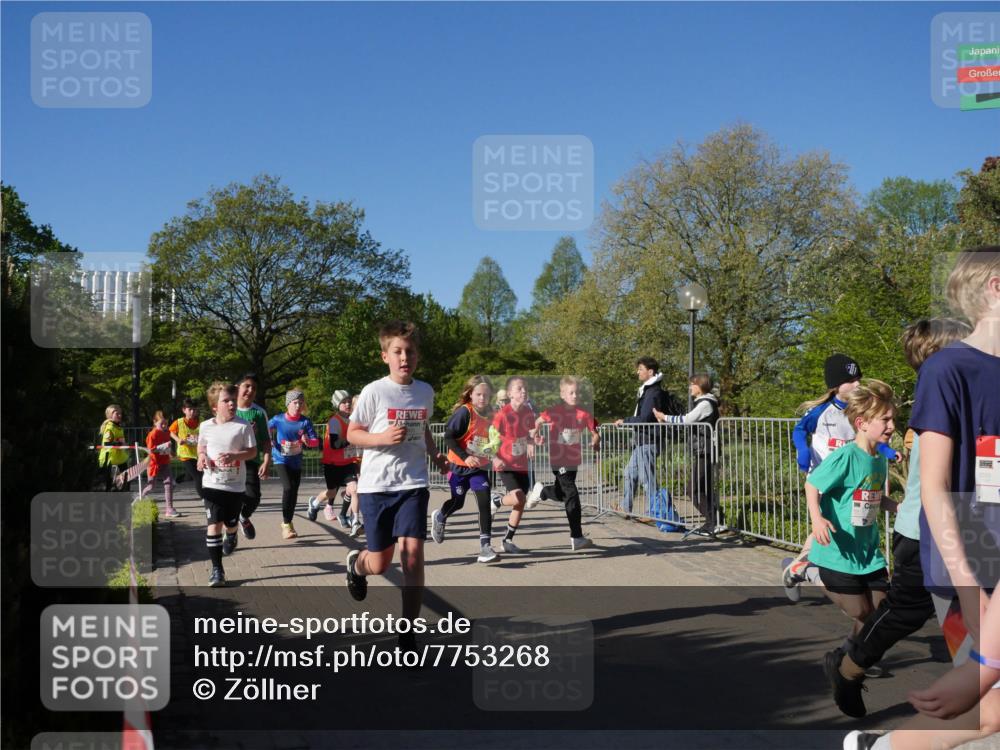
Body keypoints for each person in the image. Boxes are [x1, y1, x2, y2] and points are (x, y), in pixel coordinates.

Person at [844, 246, 1000, 750]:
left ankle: (880, 747)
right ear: (996, 288)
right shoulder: (948, 370)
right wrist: (970, 587)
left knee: (991, 707)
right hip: (970, 570)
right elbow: (932, 487)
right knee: (986, 701)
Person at [825, 319, 970, 718]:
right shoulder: (939, 403)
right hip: (923, 533)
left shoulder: (965, 395)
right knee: (905, 612)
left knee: (966, 608)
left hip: (964, 530)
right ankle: (847, 668)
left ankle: (978, 688)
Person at [344, 321, 449, 656]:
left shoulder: (425, 391)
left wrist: (436, 455)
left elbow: (423, 429)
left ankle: (407, 637)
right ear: (385, 356)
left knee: (413, 557)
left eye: (411, 352)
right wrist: (380, 439)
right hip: (377, 487)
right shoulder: (375, 391)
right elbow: (352, 433)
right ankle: (356, 564)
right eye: (398, 352)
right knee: (380, 564)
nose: (405, 357)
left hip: (413, 484)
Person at [805, 379, 899, 709]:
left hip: (867, 553)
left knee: (880, 615)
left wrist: (895, 507)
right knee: (863, 611)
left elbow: (871, 495)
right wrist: (817, 520)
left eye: (892, 419)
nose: (891, 426)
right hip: (836, 553)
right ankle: (808, 570)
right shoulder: (846, 457)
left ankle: (844, 657)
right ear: (862, 423)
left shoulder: (878, 458)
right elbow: (812, 485)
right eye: (885, 420)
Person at [783, 354, 898, 601]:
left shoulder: (866, 410)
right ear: (835, 385)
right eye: (850, 380)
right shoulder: (821, 411)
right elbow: (799, 430)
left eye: (858, 378)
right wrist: (803, 451)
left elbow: (869, 438)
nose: (857, 384)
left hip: (854, 473)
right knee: (828, 523)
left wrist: (888, 451)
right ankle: (810, 567)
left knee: (835, 525)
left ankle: (803, 564)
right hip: (827, 473)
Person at [431, 375, 502, 562]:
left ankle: (485, 547)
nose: (482, 399)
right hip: (458, 467)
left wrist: (496, 456)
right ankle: (440, 516)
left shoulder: (492, 414)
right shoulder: (464, 413)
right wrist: (466, 456)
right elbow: (448, 437)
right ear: (470, 394)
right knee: (458, 502)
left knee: (484, 501)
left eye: (486, 395)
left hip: (479, 468)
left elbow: (495, 440)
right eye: (478, 394)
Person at [526, 375, 600, 551]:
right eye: (571, 392)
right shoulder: (554, 411)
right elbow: (538, 421)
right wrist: (535, 434)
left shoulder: (584, 414)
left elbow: (594, 431)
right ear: (563, 394)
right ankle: (577, 536)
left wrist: (595, 439)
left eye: (577, 392)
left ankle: (542, 491)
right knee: (572, 493)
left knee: (562, 493)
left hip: (573, 460)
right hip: (558, 459)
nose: (575, 396)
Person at [197, 382, 257, 586]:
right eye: (226, 401)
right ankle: (217, 570)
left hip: (235, 486)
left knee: (230, 523)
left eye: (233, 400)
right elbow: (201, 448)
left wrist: (235, 455)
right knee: (214, 525)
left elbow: (252, 451)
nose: (232, 404)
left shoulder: (243, 425)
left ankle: (232, 535)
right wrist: (202, 457)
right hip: (212, 483)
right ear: (215, 406)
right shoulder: (205, 426)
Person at [653, 373, 720, 536]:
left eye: (692, 384)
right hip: (704, 450)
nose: (690, 387)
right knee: (702, 489)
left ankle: (714, 522)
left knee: (694, 489)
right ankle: (714, 522)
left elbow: (687, 420)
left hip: (707, 451)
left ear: (700, 386)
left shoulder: (706, 403)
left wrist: (665, 417)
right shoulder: (704, 402)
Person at [614, 357, 674, 515]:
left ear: (650, 372)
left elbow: (645, 418)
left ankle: (654, 512)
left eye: (640, 369)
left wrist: (625, 421)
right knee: (629, 473)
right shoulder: (648, 391)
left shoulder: (653, 393)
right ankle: (626, 508)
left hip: (649, 440)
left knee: (647, 479)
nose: (637, 372)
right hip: (643, 441)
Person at [489, 376, 537, 554]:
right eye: (519, 388)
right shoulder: (502, 415)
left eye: (525, 388)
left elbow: (529, 436)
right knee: (518, 498)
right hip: (505, 463)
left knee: (520, 503)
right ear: (509, 394)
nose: (523, 391)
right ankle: (496, 500)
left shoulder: (528, 413)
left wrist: (532, 443)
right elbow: (488, 440)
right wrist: (494, 458)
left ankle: (507, 540)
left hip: (522, 464)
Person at [308, 389, 363, 536]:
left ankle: (356, 521)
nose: (347, 404)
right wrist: (353, 439)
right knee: (331, 492)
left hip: (348, 463)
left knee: (355, 489)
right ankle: (314, 503)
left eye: (348, 401)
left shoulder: (353, 420)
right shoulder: (334, 421)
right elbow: (335, 444)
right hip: (332, 464)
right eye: (343, 402)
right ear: (337, 405)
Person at [268, 389, 319, 540]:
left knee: (294, 492)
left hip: (296, 461)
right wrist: (270, 441)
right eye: (295, 403)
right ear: (288, 404)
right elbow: (265, 429)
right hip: (280, 459)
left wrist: (308, 441)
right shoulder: (278, 419)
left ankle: (288, 522)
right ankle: (285, 524)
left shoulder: (305, 421)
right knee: (288, 488)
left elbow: (315, 440)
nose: (298, 406)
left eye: (301, 403)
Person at [235, 373, 271, 540]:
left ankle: (243, 516)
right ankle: (230, 535)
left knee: (254, 497)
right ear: (237, 388)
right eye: (246, 386)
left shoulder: (258, 412)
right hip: (229, 462)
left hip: (250, 461)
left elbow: (266, 440)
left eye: (254, 388)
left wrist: (266, 461)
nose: (250, 390)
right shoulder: (228, 408)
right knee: (229, 500)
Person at [142, 410, 179, 518]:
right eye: (161, 423)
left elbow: (167, 447)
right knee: (151, 486)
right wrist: (163, 447)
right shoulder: (152, 434)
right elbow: (151, 450)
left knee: (169, 484)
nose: (164, 426)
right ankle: (140, 498)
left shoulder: (167, 432)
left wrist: (171, 452)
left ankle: (169, 508)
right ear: (155, 422)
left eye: (166, 424)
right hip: (153, 463)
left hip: (165, 462)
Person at [170, 398, 202, 498]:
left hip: (197, 453)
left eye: (194, 409)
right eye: (190, 409)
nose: (192, 412)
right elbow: (170, 432)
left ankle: (175, 481)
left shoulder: (201, 421)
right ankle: (204, 499)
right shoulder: (178, 422)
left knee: (189, 477)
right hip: (185, 454)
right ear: (184, 410)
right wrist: (178, 439)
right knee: (198, 477)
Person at [97, 404, 130, 492]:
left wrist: (123, 443)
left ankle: (124, 492)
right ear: (110, 416)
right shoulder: (110, 428)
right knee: (108, 481)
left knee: (127, 475)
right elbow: (107, 443)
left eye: (120, 413)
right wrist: (119, 442)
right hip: (109, 457)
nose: (120, 415)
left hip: (119, 457)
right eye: (117, 414)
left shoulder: (118, 426)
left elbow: (120, 440)